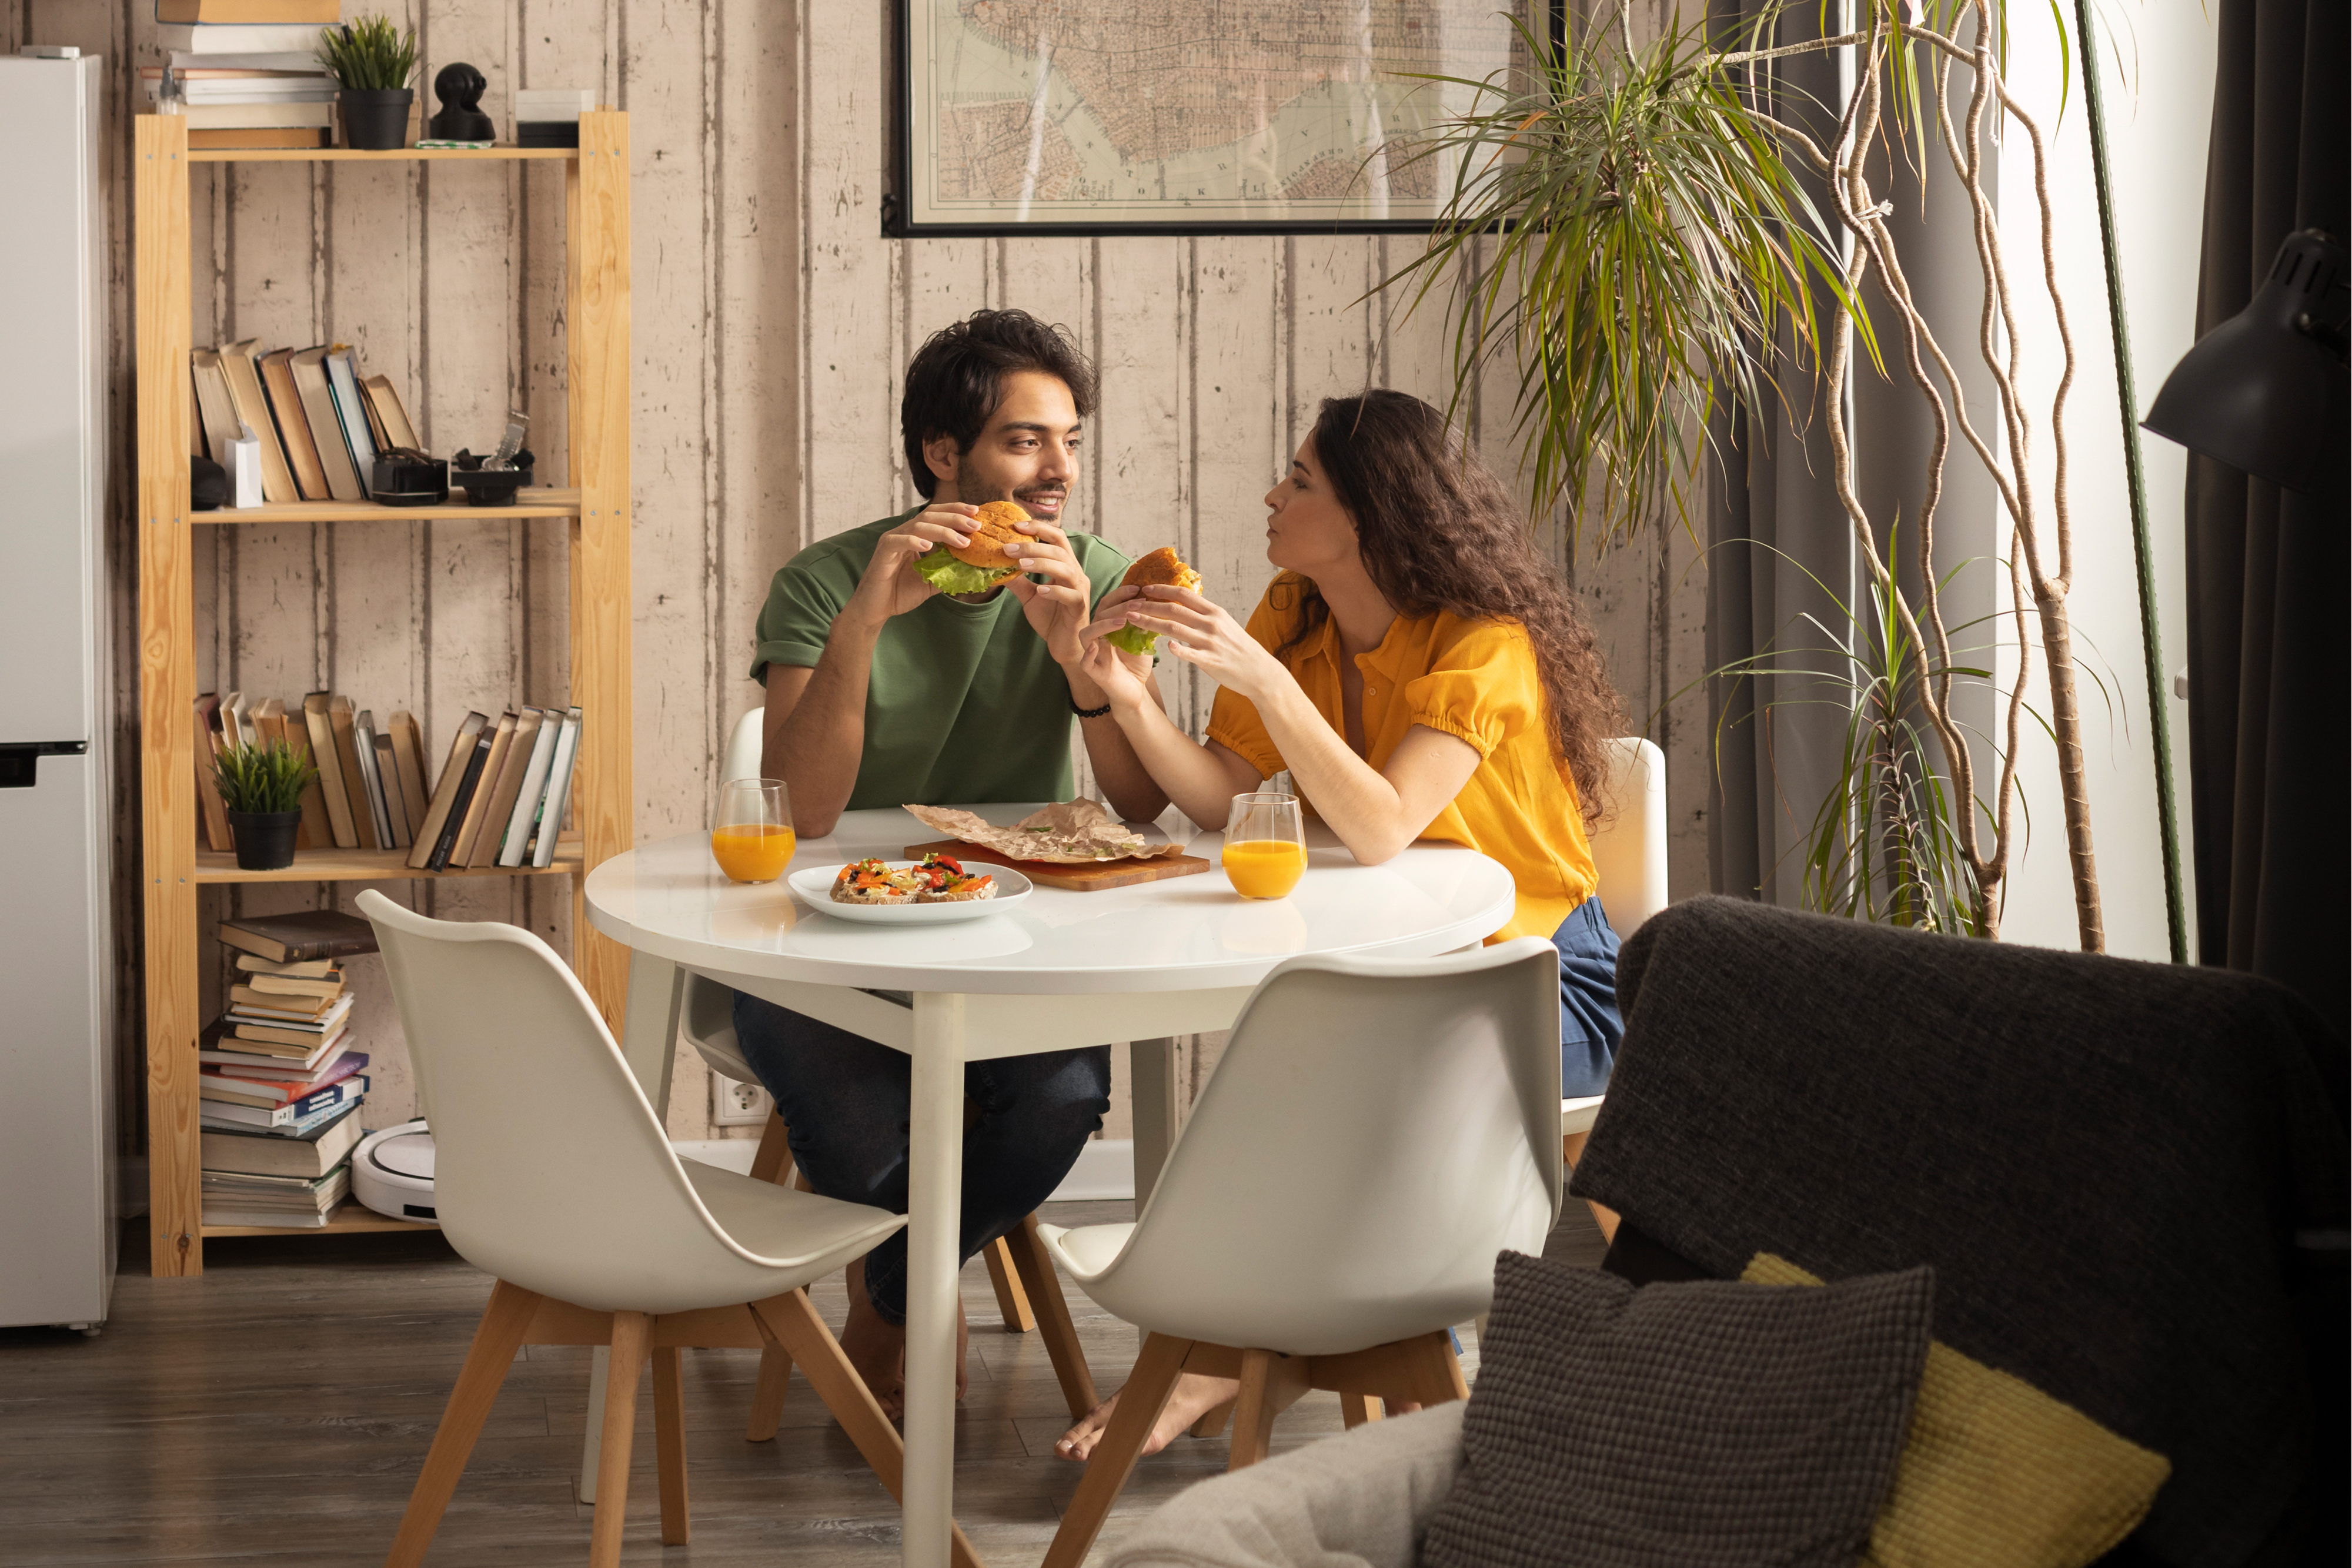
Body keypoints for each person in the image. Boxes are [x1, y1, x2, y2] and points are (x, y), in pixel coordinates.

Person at [1056, 389, 1628, 1460]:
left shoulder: (1486, 646)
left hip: (1539, 973)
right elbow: (1224, 800)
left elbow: (1382, 825)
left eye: (1301, 480)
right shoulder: (1296, 611)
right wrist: (1127, 697)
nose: (1274, 496)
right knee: (1316, 1068)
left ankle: (1237, 1362)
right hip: (1398, 969)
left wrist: (1263, 679)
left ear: (1369, 514)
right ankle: (1378, 1388)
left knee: (1364, 1087)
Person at [737, 309, 1170, 1413]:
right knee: (857, 1122)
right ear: (943, 453)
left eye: (1070, 441)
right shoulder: (825, 581)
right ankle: (918, 1297)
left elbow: (1139, 803)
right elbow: (806, 813)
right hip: (827, 940)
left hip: (1014, 941)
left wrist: (1083, 663)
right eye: (1026, 442)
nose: (1059, 471)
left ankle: (888, 1303)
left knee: (1062, 1100)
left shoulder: (1098, 573)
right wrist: (865, 624)